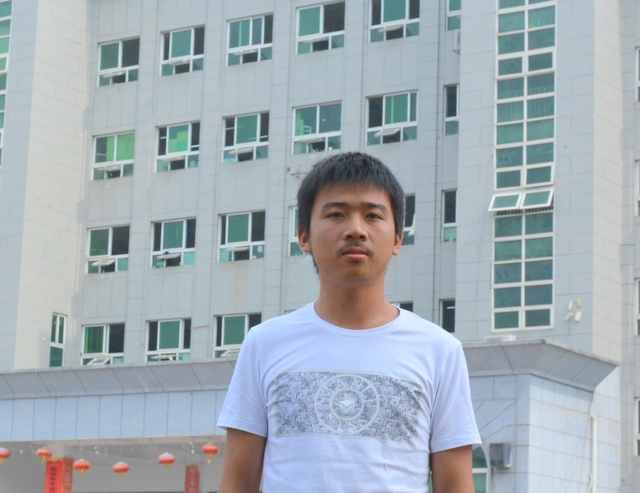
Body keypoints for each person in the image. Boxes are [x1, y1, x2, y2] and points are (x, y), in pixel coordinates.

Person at [217, 152, 481, 493]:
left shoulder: (440, 350)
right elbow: (238, 481)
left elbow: (456, 485)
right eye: (336, 214)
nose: (356, 230)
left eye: (373, 216)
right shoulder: (264, 343)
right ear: (304, 237)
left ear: (397, 239)